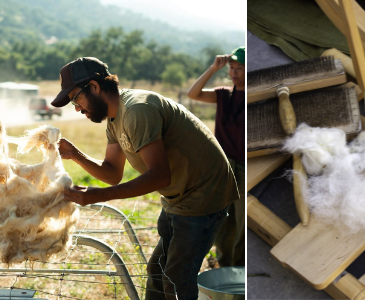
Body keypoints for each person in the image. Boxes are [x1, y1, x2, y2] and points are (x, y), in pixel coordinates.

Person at [53, 57, 240, 300]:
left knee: (176, 278)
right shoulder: (114, 119)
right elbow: (112, 173)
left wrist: (101, 196)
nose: (76, 107)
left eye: (76, 98)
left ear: (95, 87)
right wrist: (75, 155)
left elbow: (159, 176)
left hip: (203, 195)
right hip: (178, 196)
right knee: (157, 270)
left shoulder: (136, 110)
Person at [187, 47, 245, 267]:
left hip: (244, 167)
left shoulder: (254, 96)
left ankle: (239, 270)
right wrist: (213, 68)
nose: (234, 72)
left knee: (241, 221)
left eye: (240, 68)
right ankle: (225, 266)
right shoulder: (223, 94)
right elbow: (193, 93)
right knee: (223, 219)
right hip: (223, 166)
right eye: (232, 68)